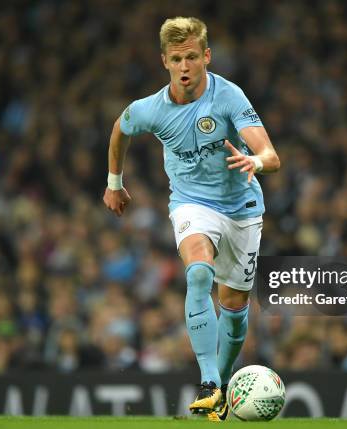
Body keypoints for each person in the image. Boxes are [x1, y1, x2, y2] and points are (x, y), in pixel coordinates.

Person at [103, 17, 280, 421]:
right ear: (164, 61)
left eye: (193, 58)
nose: (185, 67)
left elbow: (271, 156)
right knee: (199, 275)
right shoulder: (150, 109)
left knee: (234, 309)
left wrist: (254, 159)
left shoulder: (229, 97)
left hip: (242, 208)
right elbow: (119, 130)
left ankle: (223, 379)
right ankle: (210, 383)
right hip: (190, 203)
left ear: (207, 57)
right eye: (177, 59)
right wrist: (115, 183)